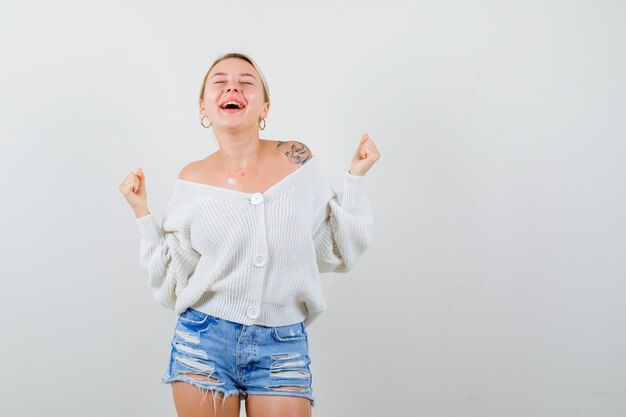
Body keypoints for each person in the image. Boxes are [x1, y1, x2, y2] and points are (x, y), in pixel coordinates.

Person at [119, 52, 380, 417]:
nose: (233, 86)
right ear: (203, 108)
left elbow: (339, 249)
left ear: (265, 108)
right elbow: (173, 283)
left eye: (246, 82)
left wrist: (356, 177)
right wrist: (142, 214)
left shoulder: (297, 160)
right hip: (203, 338)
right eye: (220, 81)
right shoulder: (191, 180)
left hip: (282, 343)